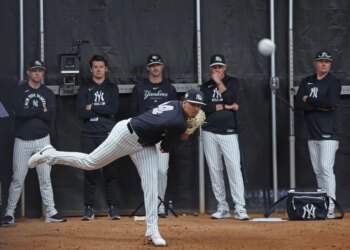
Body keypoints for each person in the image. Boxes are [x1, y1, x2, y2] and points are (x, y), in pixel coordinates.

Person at [28, 89, 206, 246]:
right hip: (126, 136)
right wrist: (185, 133)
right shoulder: (178, 122)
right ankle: (49, 154)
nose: (196, 109)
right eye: (193, 104)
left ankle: (152, 231)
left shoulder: (175, 105)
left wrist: (183, 128)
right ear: (184, 102)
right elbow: (165, 147)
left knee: (151, 185)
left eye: (199, 106)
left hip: (145, 144)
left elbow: (163, 134)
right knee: (90, 163)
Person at [1, 60, 67, 225]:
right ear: (28, 73)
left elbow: (49, 116)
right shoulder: (19, 91)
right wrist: (39, 110)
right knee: (17, 178)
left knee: (45, 178)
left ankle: (51, 212)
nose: (38, 73)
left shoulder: (48, 93)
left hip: (43, 141)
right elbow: (20, 113)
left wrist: (32, 111)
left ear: (43, 73)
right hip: (22, 140)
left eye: (40, 71)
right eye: (34, 71)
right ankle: (9, 213)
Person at [200, 54, 249, 220]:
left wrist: (219, 83)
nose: (217, 70)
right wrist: (224, 106)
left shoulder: (232, 82)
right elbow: (203, 107)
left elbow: (231, 98)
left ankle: (240, 207)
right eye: (214, 67)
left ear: (225, 68)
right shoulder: (205, 86)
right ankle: (222, 207)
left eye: (220, 67)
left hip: (228, 131)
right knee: (215, 170)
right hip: (209, 131)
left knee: (234, 168)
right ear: (210, 69)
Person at [295, 51, 341, 219]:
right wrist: (318, 104)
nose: (324, 64)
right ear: (315, 63)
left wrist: (310, 100)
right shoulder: (307, 81)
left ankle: (330, 206)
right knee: (318, 171)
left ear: (330, 64)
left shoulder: (334, 82)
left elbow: (331, 103)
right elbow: (299, 102)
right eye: (321, 61)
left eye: (327, 62)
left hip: (329, 132)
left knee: (326, 168)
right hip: (312, 132)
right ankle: (322, 204)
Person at [131, 54, 177, 217]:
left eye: (157, 65)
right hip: (145, 136)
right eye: (152, 65)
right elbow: (134, 113)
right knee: (147, 173)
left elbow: (175, 113)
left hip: (163, 136)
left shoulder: (170, 89)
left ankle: (160, 205)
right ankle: (152, 206)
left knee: (162, 170)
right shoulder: (139, 88)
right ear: (147, 68)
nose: (155, 68)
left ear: (162, 66)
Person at [76, 55, 120, 221]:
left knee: (110, 172)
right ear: (91, 69)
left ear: (106, 68)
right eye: (95, 67)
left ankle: (113, 208)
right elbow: (80, 112)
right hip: (89, 135)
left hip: (108, 134)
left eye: (101, 66)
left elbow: (113, 109)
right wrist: (103, 109)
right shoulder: (84, 88)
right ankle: (89, 209)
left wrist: (92, 106)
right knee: (90, 172)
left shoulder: (112, 88)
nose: (98, 69)